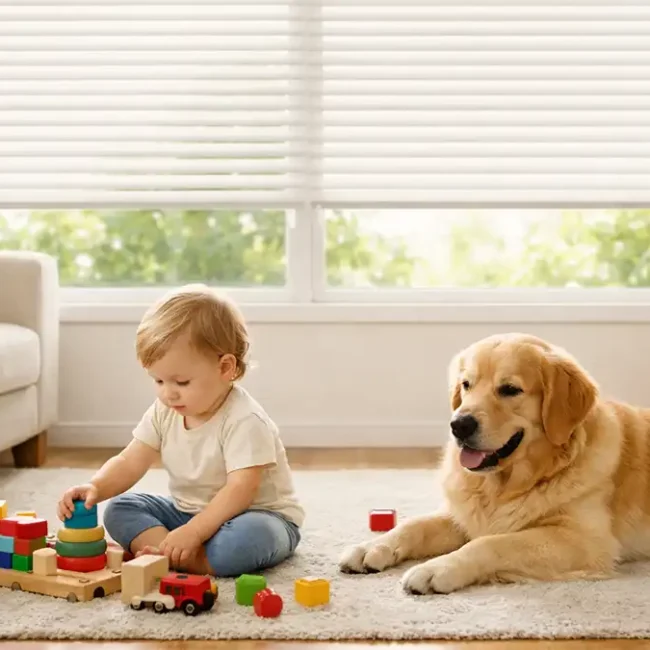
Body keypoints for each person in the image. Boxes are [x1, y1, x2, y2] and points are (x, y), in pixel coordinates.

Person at [57, 284, 304, 577]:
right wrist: (96, 487)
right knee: (120, 508)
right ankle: (173, 551)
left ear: (225, 368)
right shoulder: (165, 410)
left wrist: (195, 531)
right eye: (158, 381)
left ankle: (184, 557)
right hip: (188, 512)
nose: (168, 394)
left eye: (181, 382)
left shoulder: (245, 420)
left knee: (244, 541)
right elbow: (131, 460)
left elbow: (241, 490)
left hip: (257, 516)